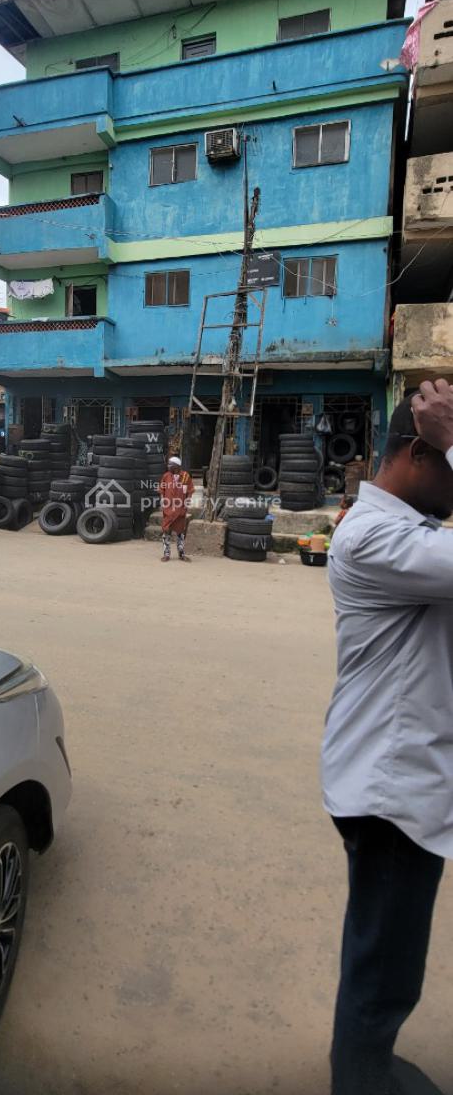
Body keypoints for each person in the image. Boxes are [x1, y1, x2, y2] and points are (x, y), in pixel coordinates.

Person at [322, 378, 453, 1095]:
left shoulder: (409, 533)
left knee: (383, 954)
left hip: (396, 781)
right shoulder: (373, 536)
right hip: (389, 791)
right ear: (417, 454)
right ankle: (361, 1077)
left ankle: (364, 1064)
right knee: (384, 970)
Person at [159, 456, 194, 562]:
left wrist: (187, 502)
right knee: (166, 531)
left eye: (171, 464)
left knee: (180, 532)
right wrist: (163, 502)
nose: (169, 466)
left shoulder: (185, 476)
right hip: (168, 509)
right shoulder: (166, 476)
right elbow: (162, 490)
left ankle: (181, 554)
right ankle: (166, 554)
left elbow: (190, 490)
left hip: (180, 509)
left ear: (177, 466)